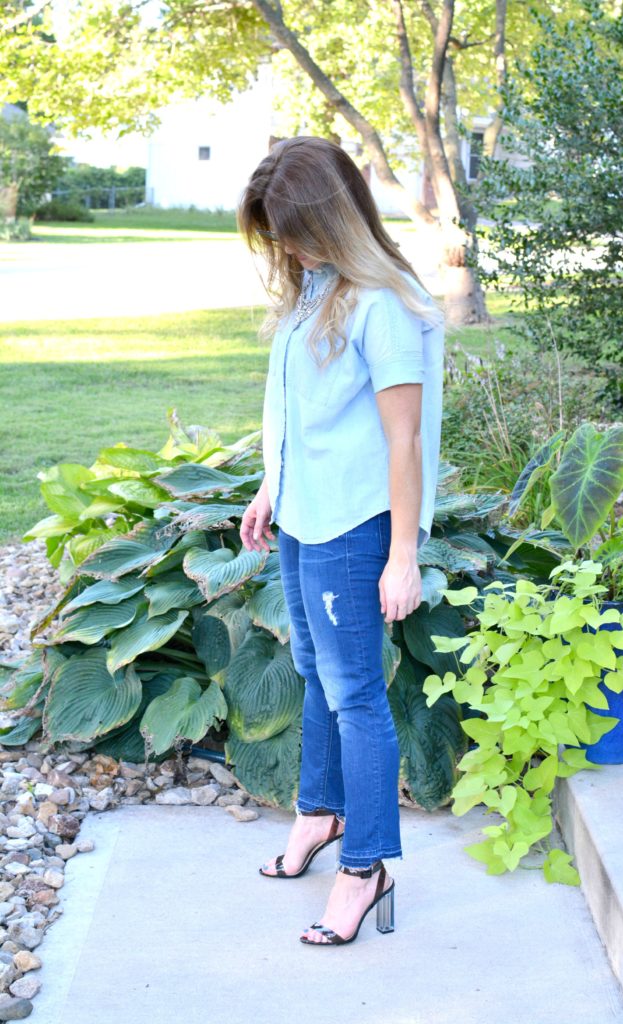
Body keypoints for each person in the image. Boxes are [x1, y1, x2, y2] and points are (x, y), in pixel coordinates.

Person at [237, 136, 444, 946]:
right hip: (301, 514)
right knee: (311, 671)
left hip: (355, 528)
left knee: (354, 695)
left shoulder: (379, 304)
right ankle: (317, 816)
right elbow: (301, 411)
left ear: (332, 218)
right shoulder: (313, 288)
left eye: (292, 229)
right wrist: (270, 488)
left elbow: (403, 442)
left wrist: (401, 555)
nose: (284, 247)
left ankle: (365, 868)